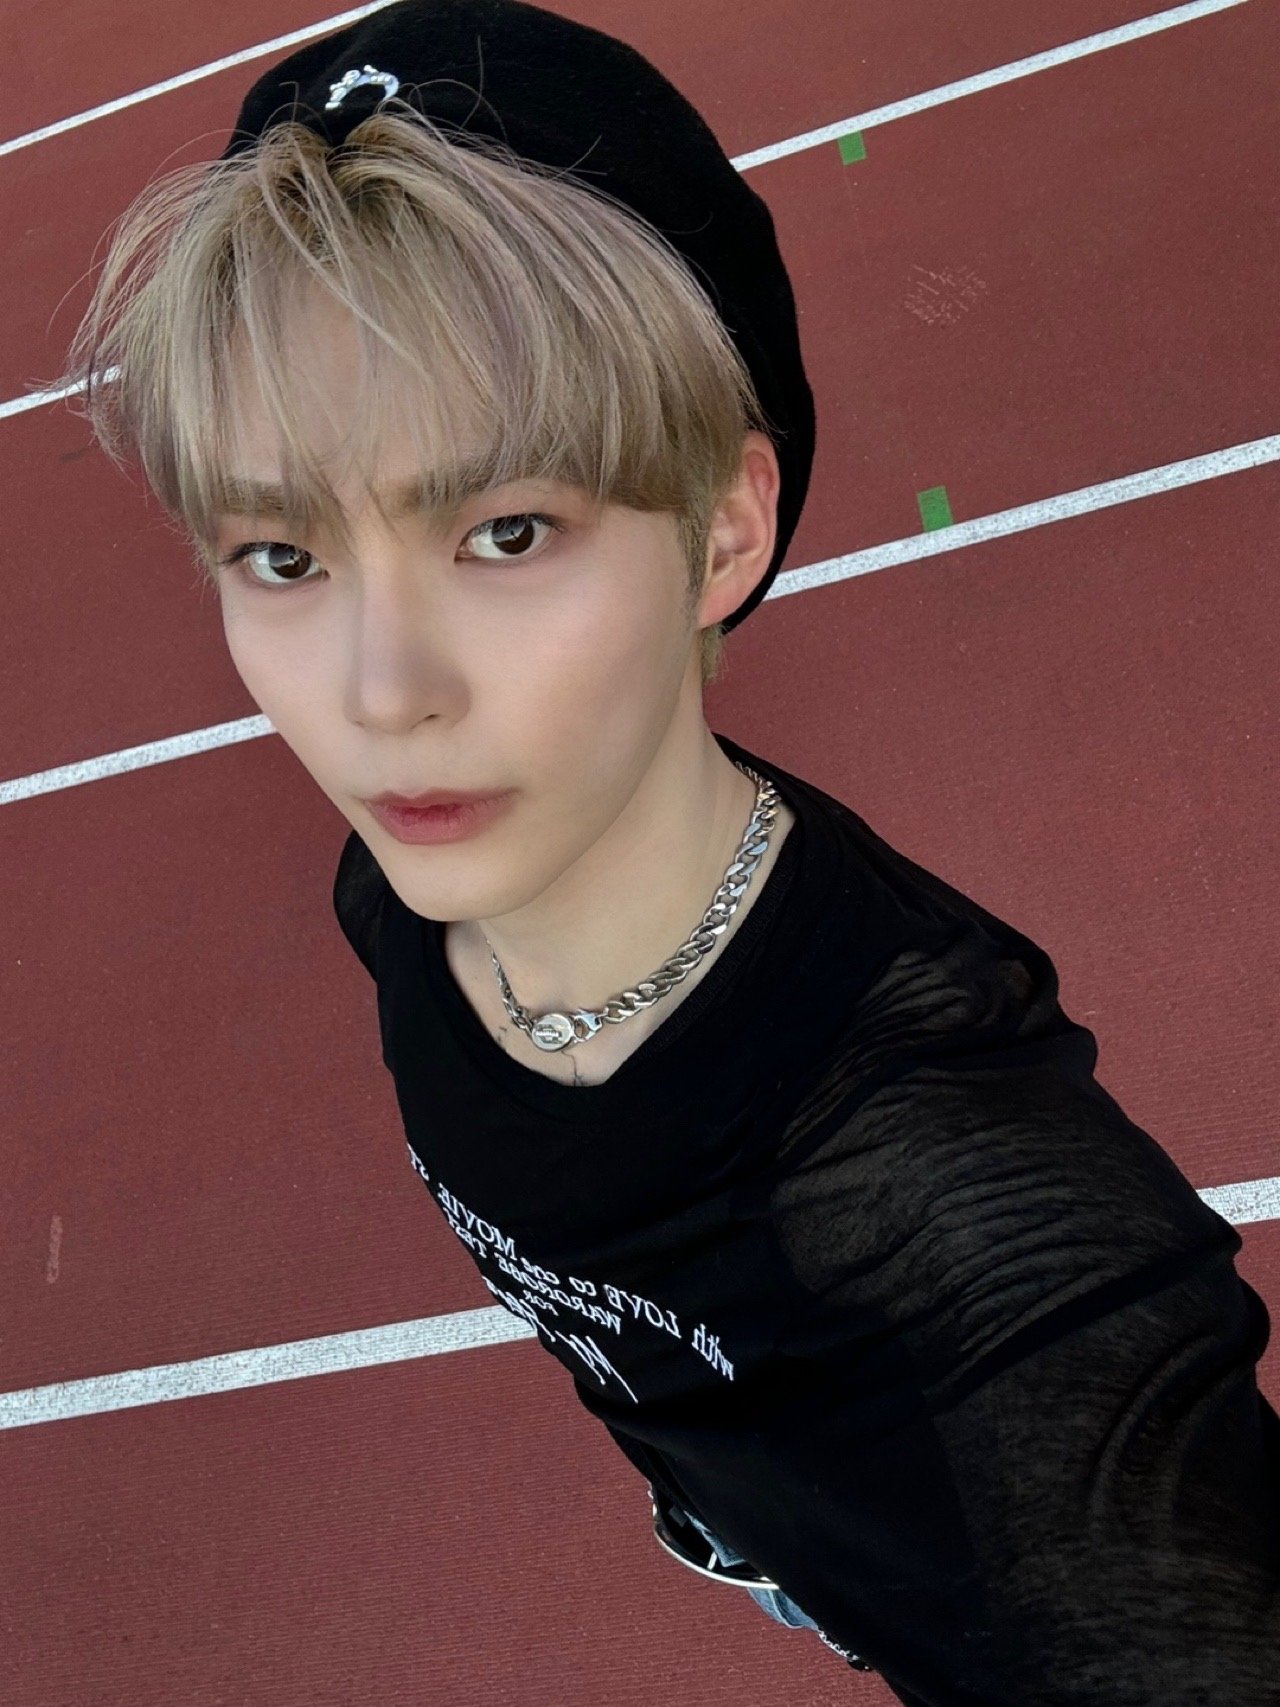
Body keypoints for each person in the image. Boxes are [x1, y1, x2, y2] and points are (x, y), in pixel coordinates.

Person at [48, 1, 1280, 1699]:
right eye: (283, 555)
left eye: (507, 530)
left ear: (723, 531)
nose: (382, 698)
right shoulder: (403, 893)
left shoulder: (955, 1199)